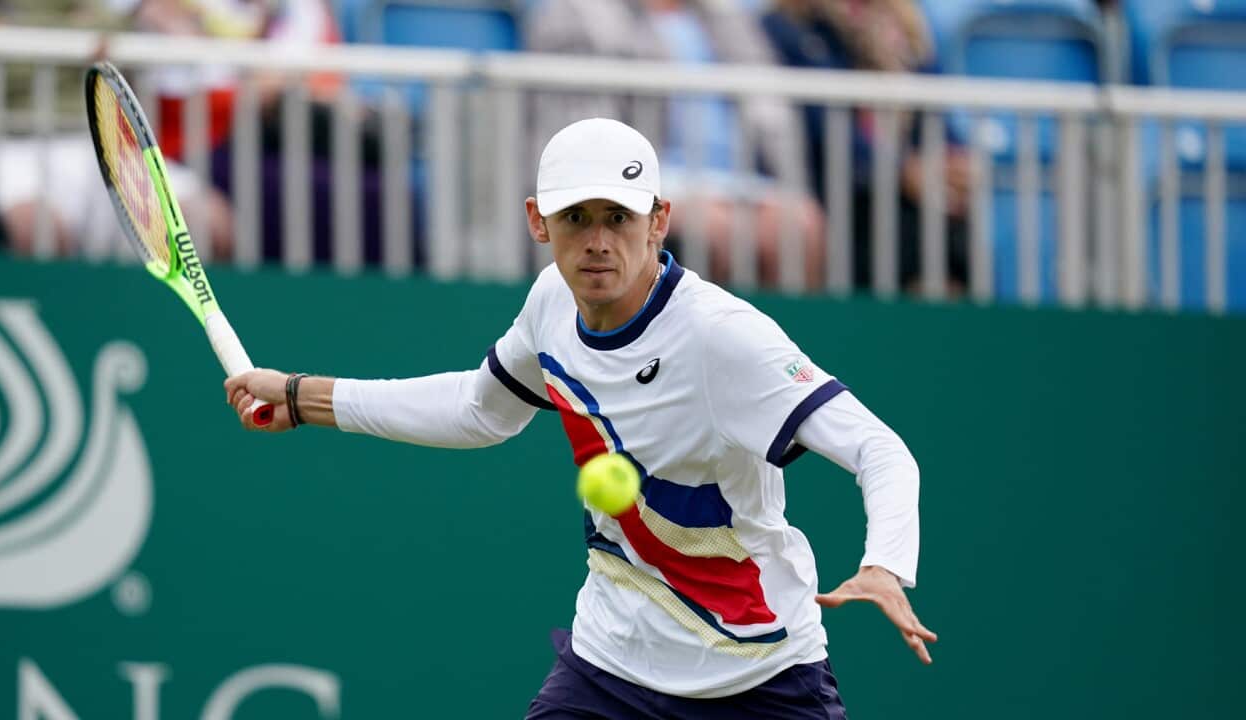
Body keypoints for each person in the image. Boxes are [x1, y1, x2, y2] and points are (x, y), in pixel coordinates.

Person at [224, 118, 934, 718]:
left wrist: (885, 567)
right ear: (539, 222)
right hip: (610, 670)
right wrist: (302, 397)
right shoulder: (550, 305)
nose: (598, 241)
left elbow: (879, 449)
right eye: (577, 219)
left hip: (758, 677)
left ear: (658, 221)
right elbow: (481, 410)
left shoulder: (723, 338)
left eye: (618, 218)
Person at [524, 0, 826, 289]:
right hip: (649, 176)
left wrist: (787, 182)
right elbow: (586, 129)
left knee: (803, 227)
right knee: (716, 233)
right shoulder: (579, 11)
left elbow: (770, 107)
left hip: (739, 179)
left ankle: (782, 340)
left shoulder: (725, 15)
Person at [762, 0, 970, 293]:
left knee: (949, 228)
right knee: (912, 230)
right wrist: (902, 171)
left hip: (913, 198)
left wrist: (955, 161)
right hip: (842, 199)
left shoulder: (908, 31)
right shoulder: (791, 28)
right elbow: (825, 126)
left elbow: (936, 119)